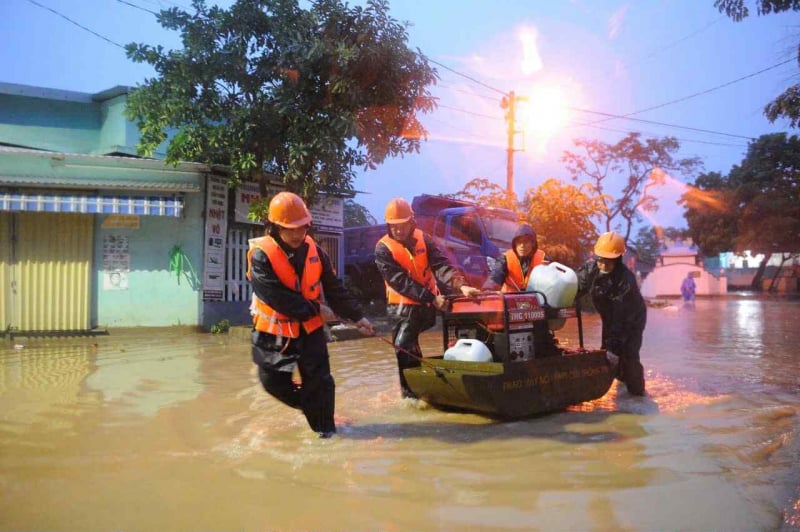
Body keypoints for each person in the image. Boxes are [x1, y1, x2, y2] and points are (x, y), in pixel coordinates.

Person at [247, 191, 374, 438]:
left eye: (301, 228)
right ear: (275, 227)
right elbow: (277, 297)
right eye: (290, 229)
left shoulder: (316, 251)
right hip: (274, 332)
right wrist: (317, 309)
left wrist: (358, 317)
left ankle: (327, 433)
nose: (297, 234)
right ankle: (313, 409)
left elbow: (335, 289)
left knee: (320, 383)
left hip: (310, 331)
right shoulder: (261, 255)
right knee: (272, 383)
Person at [374, 197, 480, 398]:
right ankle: (411, 395)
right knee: (404, 347)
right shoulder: (383, 248)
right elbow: (400, 281)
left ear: (411, 221)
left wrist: (462, 285)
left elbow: (441, 266)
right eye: (393, 226)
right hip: (401, 308)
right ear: (388, 225)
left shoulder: (425, 239)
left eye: (402, 225)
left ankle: (421, 389)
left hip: (426, 305)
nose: (398, 230)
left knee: (408, 346)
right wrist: (432, 298)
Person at [576, 231, 647, 396]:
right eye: (601, 260)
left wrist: (613, 349)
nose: (604, 265)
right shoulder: (589, 271)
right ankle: (618, 379)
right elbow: (575, 288)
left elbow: (621, 320)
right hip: (608, 316)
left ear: (617, 259)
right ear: (596, 257)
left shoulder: (625, 281)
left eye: (609, 261)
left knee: (628, 354)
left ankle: (638, 395)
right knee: (606, 350)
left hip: (632, 320)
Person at [482, 223, 559, 358]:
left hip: (536, 308)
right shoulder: (504, 259)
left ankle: (543, 357)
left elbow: (555, 282)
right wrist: (487, 290)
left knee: (542, 336)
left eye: (526, 242)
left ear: (533, 244)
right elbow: (494, 278)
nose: (522, 246)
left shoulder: (544, 259)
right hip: (510, 308)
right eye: (519, 242)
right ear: (514, 244)